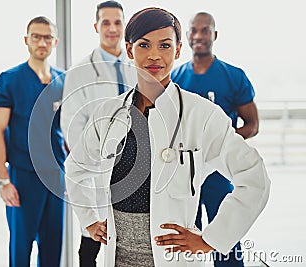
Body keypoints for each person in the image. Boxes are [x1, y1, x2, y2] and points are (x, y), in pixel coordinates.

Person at [65, 7, 270, 267]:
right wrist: (89, 219)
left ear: (177, 50)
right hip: (118, 258)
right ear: (129, 50)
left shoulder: (201, 115)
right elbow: (76, 167)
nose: (154, 55)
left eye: (164, 45)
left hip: (175, 259)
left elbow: (255, 178)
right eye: (143, 45)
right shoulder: (108, 113)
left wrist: (212, 239)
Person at [171, 11, 259, 266]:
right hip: (185, 173)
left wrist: (218, 144)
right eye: (194, 30)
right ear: (187, 36)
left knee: (226, 237)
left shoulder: (233, 76)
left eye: (205, 30)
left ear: (214, 35)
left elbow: (252, 125)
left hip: (219, 172)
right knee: (186, 237)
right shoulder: (176, 78)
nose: (199, 36)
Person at [60, 1, 136, 266]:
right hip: (96, 169)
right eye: (106, 22)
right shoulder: (80, 73)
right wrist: (96, 161)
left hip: (136, 167)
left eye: (118, 22)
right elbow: (71, 124)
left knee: (131, 242)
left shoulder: (138, 67)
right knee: (92, 240)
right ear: (96, 26)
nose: (112, 28)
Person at [0, 16, 66, 267]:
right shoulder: (10, 79)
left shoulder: (63, 80)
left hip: (55, 176)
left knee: (53, 248)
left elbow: (69, 130)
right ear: (26, 40)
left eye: (46, 37)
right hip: (23, 176)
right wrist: (4, 181)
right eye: (36, 36)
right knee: (20, 249)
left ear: (55, 41)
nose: (41, 42)